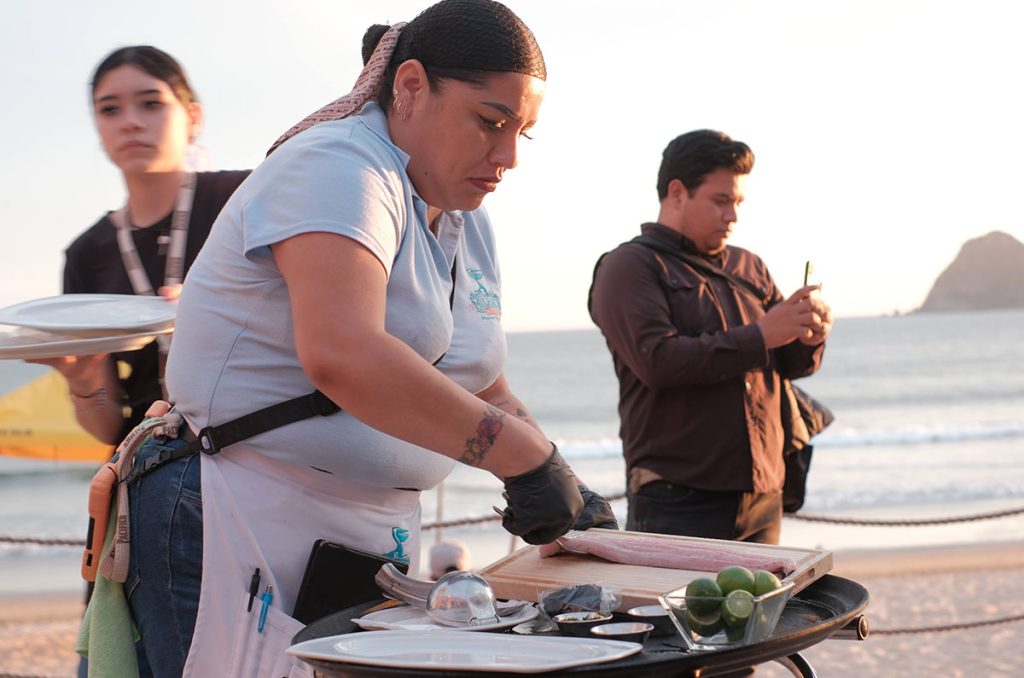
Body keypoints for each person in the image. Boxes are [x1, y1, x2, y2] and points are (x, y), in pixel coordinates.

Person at [121, 2, 616, 675]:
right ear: (409, 86)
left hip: (368, 541)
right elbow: (342, 352)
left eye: (521, 134)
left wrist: (564, 484)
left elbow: (480, 381)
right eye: (490, 122)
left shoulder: (467, 217)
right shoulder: (338, 164)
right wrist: (520, 456)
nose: (506, 157)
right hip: (243, 514)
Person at [588, 129, 832, 545]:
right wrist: (761, 334)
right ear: (677, 193)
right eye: (721, 201)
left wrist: (808, 335)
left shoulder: (749, 266)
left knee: (762, 612)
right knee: (671, 613)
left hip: (763, 491)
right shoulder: (629, 266)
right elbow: (658, 362)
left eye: (737, 203)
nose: (732, 216)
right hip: (677, 497)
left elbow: (788, 366)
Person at [32, 46, 249, 446]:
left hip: (265, 455)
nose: (130, 122)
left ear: (193, 118)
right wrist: (83, 381)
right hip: (152, 477)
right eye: (110, 110)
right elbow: (108, 428)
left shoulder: (245, 198)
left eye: (151, 104)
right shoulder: (88, 252)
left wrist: (222, 304)